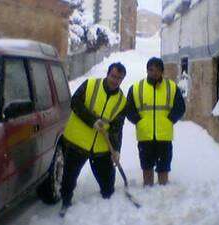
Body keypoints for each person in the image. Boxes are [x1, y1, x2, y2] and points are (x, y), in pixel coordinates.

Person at [59, 62, 127, 215]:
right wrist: (92, 120)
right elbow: (74, 102)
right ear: (108, 74)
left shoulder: (122, 101)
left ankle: (107, 209)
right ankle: (65, 202)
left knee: (108, 185)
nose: (115, 80)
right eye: (113, 76)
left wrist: (116, 150)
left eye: (119, 78)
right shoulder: (90, 85)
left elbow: (117, 128)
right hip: (78, 142)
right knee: (69, 177)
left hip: (101, 147)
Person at [126, 57, 185, 186]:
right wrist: (139, 121)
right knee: (146, 167)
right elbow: (129, 109)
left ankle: (162, 194)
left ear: (162, 71)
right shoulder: (136, 88)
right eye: (151, 69)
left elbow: (180, 108)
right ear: (147, 70)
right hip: (145, 136)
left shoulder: (172, 87)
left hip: (164, 136)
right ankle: (148, 192)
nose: (154, 72)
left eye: (158, 70)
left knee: (163, 167)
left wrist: (170, 120)